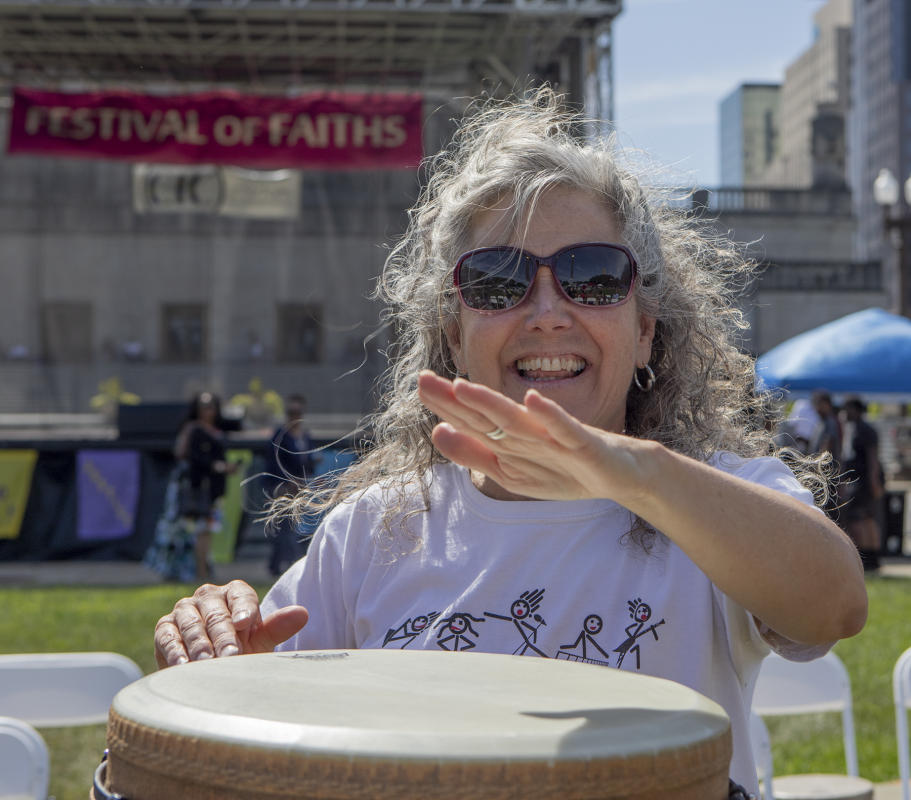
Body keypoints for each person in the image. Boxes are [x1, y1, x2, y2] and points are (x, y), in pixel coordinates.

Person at [154, 89, 866, 795]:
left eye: (593, 277)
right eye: (498, 282)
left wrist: (635, 475)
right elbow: (254, 724)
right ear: (454, 335)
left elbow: (832, 605)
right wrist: (222, 643)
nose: (548, 313)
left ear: (645, 326)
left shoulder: (713, 496)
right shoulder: (373, 531)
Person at [263, 394, 318, 577]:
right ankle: (288, 564)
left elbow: (305, 462)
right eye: (291, 413)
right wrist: (286, 482)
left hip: (300, 487)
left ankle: (278, 564)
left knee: (291, 526)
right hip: (283, 487)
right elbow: (274, 463)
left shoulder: (305, 436)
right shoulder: (280, 436)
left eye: (297, 413)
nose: (294, 417)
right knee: (284, 527)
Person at [839, 397, 885, 572]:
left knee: (859, 518)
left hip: (864, 481)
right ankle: (872, 557)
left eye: (848, 409)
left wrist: (874, 482)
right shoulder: (853, 429)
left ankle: (868, 556)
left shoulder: (865, 431)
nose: (845, 413)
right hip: (858, 480)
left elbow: (873, 459)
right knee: (866, 518)